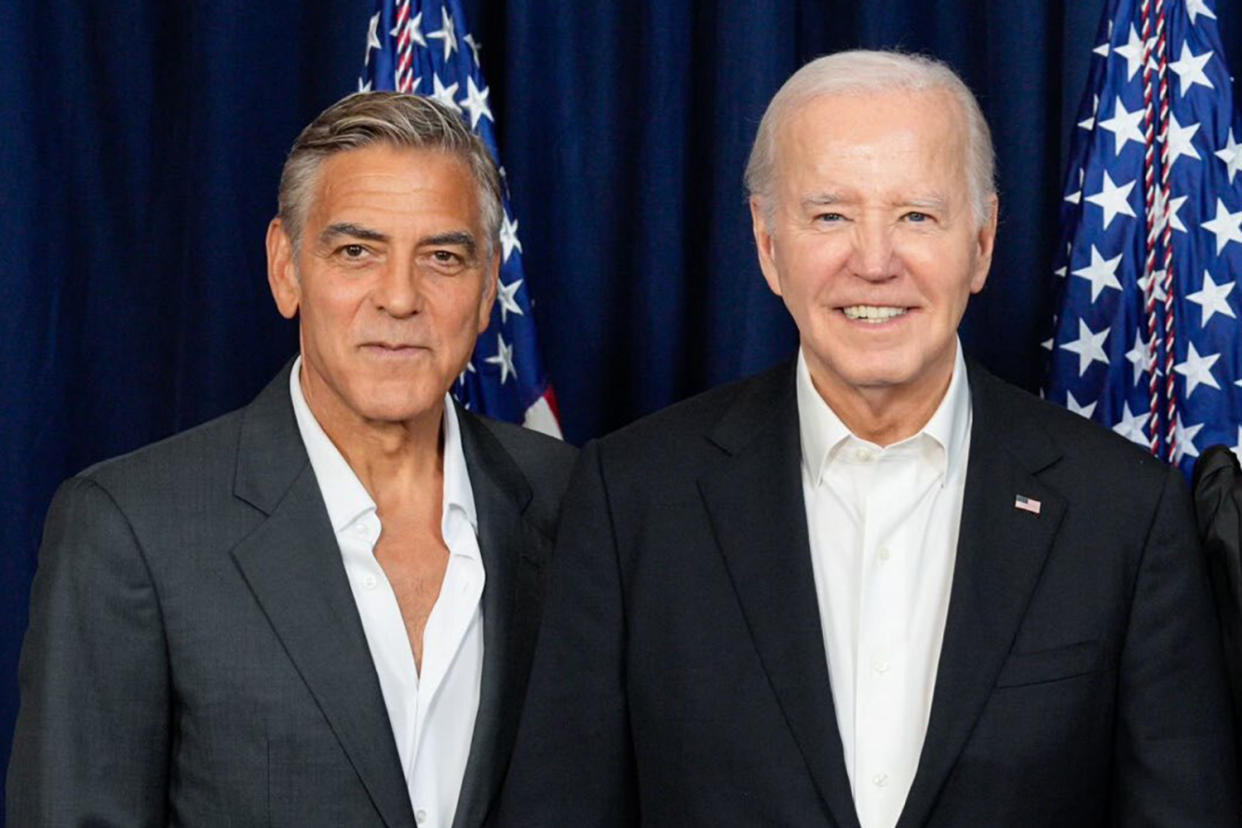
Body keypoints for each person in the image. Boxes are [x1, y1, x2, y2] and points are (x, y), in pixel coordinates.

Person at [498, 50, 1240, 827]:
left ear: (982, 242)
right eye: (831, 216)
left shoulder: (1125, 512)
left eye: (917, 215)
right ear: (767, 243)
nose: (875, 261)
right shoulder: (632, 499)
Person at [8, 92, 576, 828]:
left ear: (487, 283)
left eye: (442, 256)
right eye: (356, 251)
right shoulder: (133, 531)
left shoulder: (570, 500)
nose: (400, 298)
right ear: (286, 268)